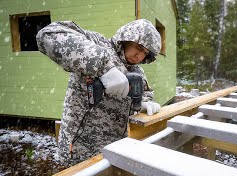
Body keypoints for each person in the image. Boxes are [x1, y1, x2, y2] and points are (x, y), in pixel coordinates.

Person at [36, 19, 161, 164]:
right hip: (79, 150)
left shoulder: (137, 71)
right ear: (127, 38)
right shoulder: (97, 44)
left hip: (113, 151)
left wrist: (144, 103)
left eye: (145, 54)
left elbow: (145, 94)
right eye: (139, 47)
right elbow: (47, 35)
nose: (140, 56)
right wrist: (104, 67)